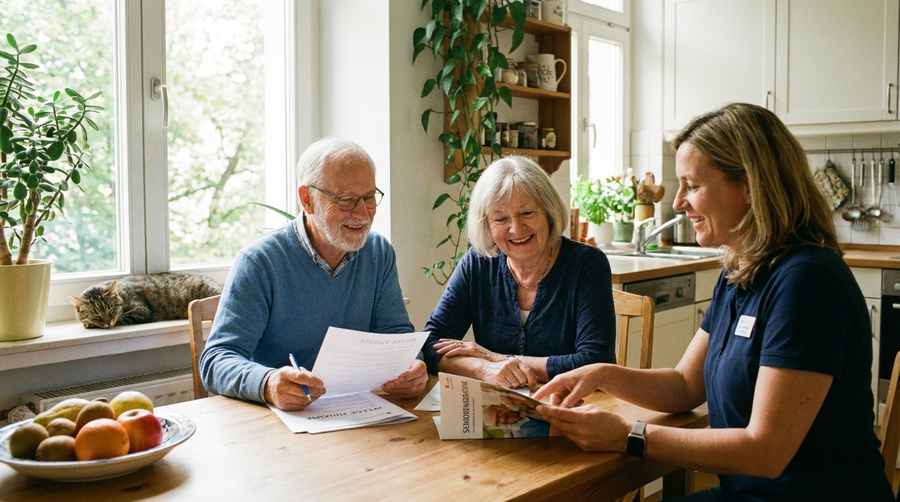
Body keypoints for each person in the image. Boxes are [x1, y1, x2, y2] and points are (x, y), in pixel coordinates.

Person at [533, 103, 894, 501]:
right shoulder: (739, 271)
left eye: (693, 185)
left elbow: (766, 451)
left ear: (749, 187)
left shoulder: (807, 282)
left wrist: (629, 436)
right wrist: (601, 374)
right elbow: (686, 385)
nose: (677, 202)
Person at [200, 137, 427, 411]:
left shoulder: (378, 253)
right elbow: (216, 360)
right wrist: (268, 383)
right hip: (279, 424)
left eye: (369, 197)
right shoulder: (260, 261)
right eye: (346, 200)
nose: (363, 213)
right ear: (308, 200)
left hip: (360, 415)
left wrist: (414, 366)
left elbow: (396, 336)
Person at [422, 156, 616, 390]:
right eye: (501, 218)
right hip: (498, 413)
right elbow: (429, 345)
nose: (516, 228)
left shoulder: (586, 264)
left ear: (548, 210)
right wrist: (485, 369)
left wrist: (493, 357)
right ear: (487, 225)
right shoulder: (478, 263)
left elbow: (596, 362)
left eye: (527, 213)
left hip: (571, 409)